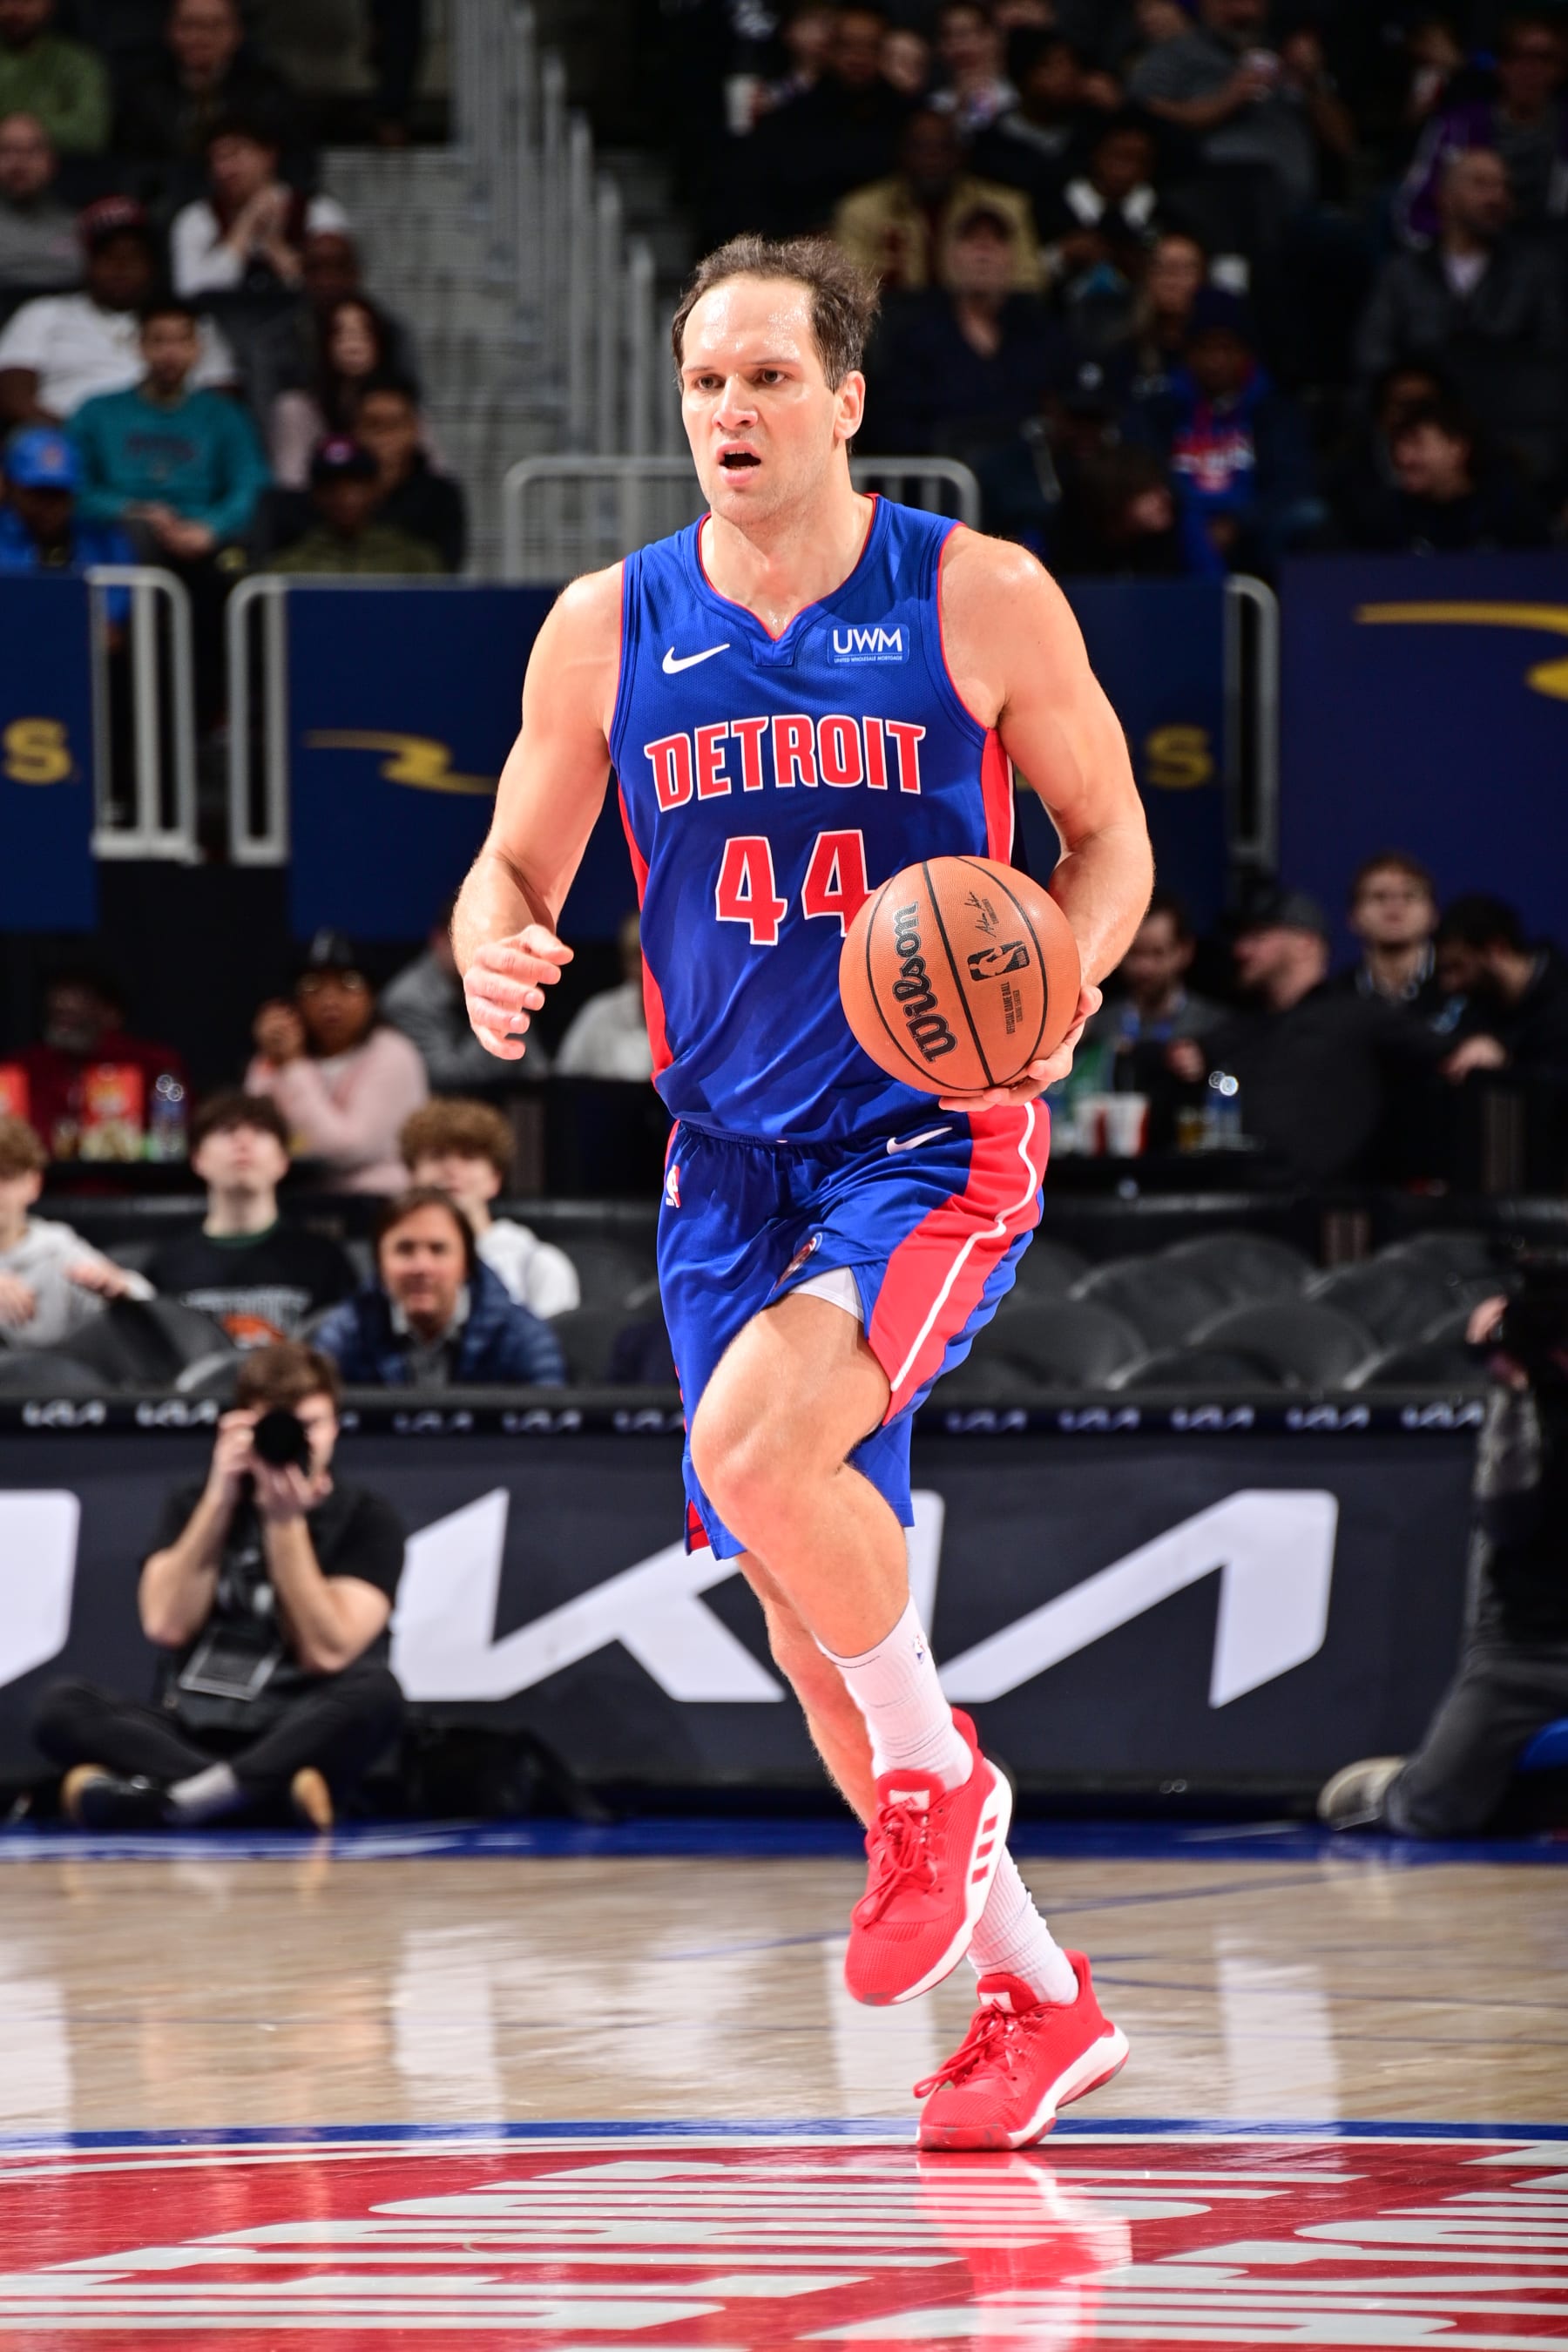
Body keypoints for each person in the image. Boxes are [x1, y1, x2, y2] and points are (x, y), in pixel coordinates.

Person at [454, 230, 1151, 2150]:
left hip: (931, 1136)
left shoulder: (979, 597)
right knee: (804, 1616)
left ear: (848, 401)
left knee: (769, 1469)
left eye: (768, 376)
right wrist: (491, 943)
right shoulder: (609, 624)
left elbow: (1111, 839)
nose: (732, 410)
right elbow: (511, 864)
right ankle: (1038, 1996)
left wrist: (1066, 975)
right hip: (726, 1162)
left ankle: (942, 1789)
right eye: (704, 383)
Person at [34, 1340, 406, 1831]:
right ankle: (247, 1795)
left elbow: (328, 1651)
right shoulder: (195, 1502)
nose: (295, 1441)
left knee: (378, 1692)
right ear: (239, 1427)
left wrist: (284, 1523)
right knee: (61, 1706)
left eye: (309, 1426)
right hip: (190, 1727)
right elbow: (165, 1624)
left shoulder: (367, 1518)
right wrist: (219, 1497)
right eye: (274, 1426)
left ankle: (175, 1798)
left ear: (335, 1426)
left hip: (298, 1727)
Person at [1319, 1273, 1568, 1838]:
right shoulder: (1523, 1416)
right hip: (1523, 1656)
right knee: (1435, 1811)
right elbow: (1508, 1517)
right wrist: (1509, 1386)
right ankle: (1402, 1787)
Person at [1167, 889, 1448, 1179]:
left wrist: (1486, 1046)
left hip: (1331, 1208)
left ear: (1306, 944)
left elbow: (1447, 1053)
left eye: (1258, 937)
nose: (1241, 950)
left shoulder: (1357, 1016)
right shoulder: (1236, 1029)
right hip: (1244, 1207)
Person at [1355, 145, 1566, 485]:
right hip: (1422, 429)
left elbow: (1552, 356)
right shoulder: (1403, 274)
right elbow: (1373, 351)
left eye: (1502, 187)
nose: (1496, 196)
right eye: (1481, 184)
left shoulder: (1534, 273)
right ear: (1446, 197)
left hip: (1510, 430)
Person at [1125, 286, 1321, 574]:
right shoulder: (1160, 408)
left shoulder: (1273, 408)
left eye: (1227, 348)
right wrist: (1191, 521)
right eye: (1205, 348)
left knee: (1307, 516)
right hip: (1176, 528)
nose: (1216, 361)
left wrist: (1238, 523)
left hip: (1254, 531)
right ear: (1188, 353)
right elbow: (1144, 471)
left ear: (1246, 353)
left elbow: (1291, 480)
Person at [145, 1090, 357, 1347]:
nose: (243, 1142)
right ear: (198, 1159)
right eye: (226, 1131)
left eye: (260, 1131)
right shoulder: (167, 1264)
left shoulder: (324, 1259)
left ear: (283, 1160)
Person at [0, 196, 234, 428]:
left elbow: (221, 398)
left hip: (172, 447)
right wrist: (89, 441)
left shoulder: (188, 322)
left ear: (152, 265)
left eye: (134, 257)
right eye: (109, 256)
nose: (121, 268)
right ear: (88, 263)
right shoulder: (43, 313)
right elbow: (10, 394)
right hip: (66, 444)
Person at [69, 296, 270, 565]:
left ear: (198, 347)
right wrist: (129, 510)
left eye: (181, 341)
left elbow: (250, 485)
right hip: (122, 537)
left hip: (205, 540)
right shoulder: (97, 412)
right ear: (139, 345)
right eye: (158, 341)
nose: (170, 353)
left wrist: (211, 528)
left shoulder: (225, 415)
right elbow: (73, 487)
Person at [861, 200, 1064, 461]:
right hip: (940, 484)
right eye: (971, 240)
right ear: (949, 257)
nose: (984, 251)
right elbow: (893, 426)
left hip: (1022, 483)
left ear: (1012, 259)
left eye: (996, 241)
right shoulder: (915, 336)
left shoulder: (1040, 332)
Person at [313, 1186, 565, 1386]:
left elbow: (549, 1445)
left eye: (438, 1250)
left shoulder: (522, 1337)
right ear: (379, 1263)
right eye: (405, 1250)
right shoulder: (345, 1335)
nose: (422, 1267)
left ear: (467, 1264)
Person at [245, 928, 429, 1193]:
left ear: (372, 995)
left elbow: (344, 1150)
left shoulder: (393, 1053)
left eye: (349, 983)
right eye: (312, 986)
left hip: (375, 1207)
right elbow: (253, 1141)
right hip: (289, 1204)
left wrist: (294, 1066)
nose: (329, 1000)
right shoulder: (275, 1057)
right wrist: (279, 1061)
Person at [742, 3, 913, 240]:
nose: (858, 57)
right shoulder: (790, 120)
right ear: (829, 49)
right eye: (847, 45)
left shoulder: (909, 119)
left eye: (870, 47)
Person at [400, 1098, 580, 1319]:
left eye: (469, 1157)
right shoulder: (391, 1266)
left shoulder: (538, 1265)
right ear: (412, 1176)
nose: (452, 1170)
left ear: (495, 1179)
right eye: (437, 1156)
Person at [1397, 10, 1568, 245]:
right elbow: (1415, 213)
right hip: (1472, 263)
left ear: (1560, 69)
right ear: (1501, 66)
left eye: (1543, 58)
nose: (1530, 70)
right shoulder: (1457, 127)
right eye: (1518, 57)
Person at [833, 106, 1042, 294]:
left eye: (943, 147)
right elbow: (850, 293)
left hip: (984, 325)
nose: (932, 158)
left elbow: (1030, 285)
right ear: (902, 153)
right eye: (921, 147)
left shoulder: (1006, 207)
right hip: (894, 328)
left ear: (961, 154)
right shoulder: (860, 210)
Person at [0, 1111, 150, 1351]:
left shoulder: (57, 1249)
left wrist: (120, 1293)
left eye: (5, 1176)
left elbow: (151, 1305)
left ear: (33, 1183)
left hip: (43, 1383)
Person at [16, 962, 187, 1161]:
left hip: (130, 1183)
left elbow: (172, 1138)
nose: (65, 1006)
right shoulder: (24, 1067)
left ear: (111, 1014)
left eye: (75, 1015)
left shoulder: (152, 1063)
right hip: (43, 1183)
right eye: (57, 1015)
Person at [171, 113, 349, 301]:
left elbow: (333, 290)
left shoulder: (319, 212)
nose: (224, 170)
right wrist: (244, 229)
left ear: (269, 155)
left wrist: (274, 246)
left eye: (234, 155)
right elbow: (189, 292)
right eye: (216, 159)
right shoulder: (195, 218)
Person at [1343, 395, 1549, 552]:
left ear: (1457, 448)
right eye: (1398, 445)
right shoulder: (1381, 520)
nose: (1403, 458)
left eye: (1416, 444)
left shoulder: (1512, 512)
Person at [115, 0, 304, 166]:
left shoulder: (268, 91)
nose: (201, 37)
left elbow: (296, 163)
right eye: (190, 25)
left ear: (237, 33)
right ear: (170, 30)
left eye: (215, 26)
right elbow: (126, 166)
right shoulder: (142, 92)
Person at [266, 292, 416, 488]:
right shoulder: (296, 409)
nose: (352, 345)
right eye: (341, 335)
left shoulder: (400, 406)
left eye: (363, 334)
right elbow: (292, 484)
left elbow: (433, 472)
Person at [382, 896, 532, 1089]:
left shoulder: (494, 986)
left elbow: (535, 1068)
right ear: (439, 940)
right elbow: (447, 1082)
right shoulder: (407, 1001)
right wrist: (496, 1010)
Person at [263, 432, 445, 576]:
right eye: (331, 488)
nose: (344, 498)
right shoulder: (289, 566)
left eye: (355, 486)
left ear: (375, 490)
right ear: (316, 496)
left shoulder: (414, 561)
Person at [1436, 895, 1568, 1088]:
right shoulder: (1475, 1009)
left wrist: (1506, 1060)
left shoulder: (1561, 1003)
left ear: (1497, 950)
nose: (1449, 984)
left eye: (1458, 967)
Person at [348, 374, 463, 571]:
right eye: (373, 425)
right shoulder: (335, 493)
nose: (384, 437)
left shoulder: (441, 497)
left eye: (395, 425)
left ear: (414, 428)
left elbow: (446, 567)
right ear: (356, 429)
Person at [1333, 850, 1454, 1023]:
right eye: (1379, 897)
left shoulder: (1461, 991)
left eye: (1409, 897)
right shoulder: (1335, 999)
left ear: (1433, 915)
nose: (1394, 909)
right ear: (1353, 917)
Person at [0, 420, 131, 578]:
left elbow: (121, 597)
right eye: (39, 493)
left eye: (59, 494)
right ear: (12, 487)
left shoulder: (104, 542)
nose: (49, 506)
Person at [553, 911, 653, 1084]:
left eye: (656, 957)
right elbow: (563, 1080)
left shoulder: (693, 1017)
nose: (647, 966)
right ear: (626, 963)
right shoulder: (599, 1014)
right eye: (638, 956)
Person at [0, 0, 109, 155]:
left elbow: (91, 132)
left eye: (27, 1)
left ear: (49, 4)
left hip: (64, 169)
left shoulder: (78, 63)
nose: (15, 9)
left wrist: (27, 133)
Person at [0, 111, 77, 299]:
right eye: (7, 150)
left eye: (32, 151)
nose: (19, 162)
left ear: (52, 161)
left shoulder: (78, 226)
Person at [930, 0, 1017, 138]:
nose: (957, 45)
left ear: (993, 38)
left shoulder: (1019, 96)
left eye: (965, 34)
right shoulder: (934, 106)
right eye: (947, 35)